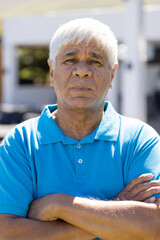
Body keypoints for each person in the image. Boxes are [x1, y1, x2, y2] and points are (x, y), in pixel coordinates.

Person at [0, 18, 160, 240]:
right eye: (70, 59)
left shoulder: (140, 140)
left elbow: (154, 226)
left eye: (95, 62)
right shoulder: (21, 142)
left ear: (112, 74)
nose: (82, 71)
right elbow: (8, 233)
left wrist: (59, 205)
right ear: (52, 70)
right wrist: (117, 210)